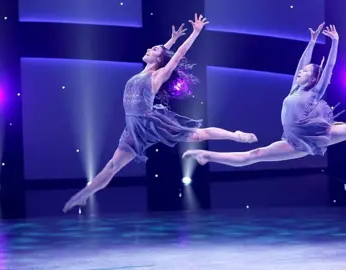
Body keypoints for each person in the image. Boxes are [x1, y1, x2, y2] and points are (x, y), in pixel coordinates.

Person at [63, 14, 257, 213]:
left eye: (153, 49)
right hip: (132, 128)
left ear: (158, 59)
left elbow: (177, 55)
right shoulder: (145, 71)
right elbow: (163, 53)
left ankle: (237, 135)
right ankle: (85, 195)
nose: (148, 49)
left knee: (200, 134)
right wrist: (171, 40)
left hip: (151, 122)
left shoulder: (157, 75)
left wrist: (195, 33)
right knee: (112, 166)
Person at [182, 23, 346, 167]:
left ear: (313, 78)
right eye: (300, 71)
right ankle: (207, 156)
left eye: (305, 72)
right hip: (294, 140)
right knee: (254, 155)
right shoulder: (295, 87)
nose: (300, 72)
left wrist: (335, 43)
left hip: (319, 133)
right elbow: (301, 63)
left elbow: (330, 68)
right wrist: (312, 42)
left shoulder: (315, 90)